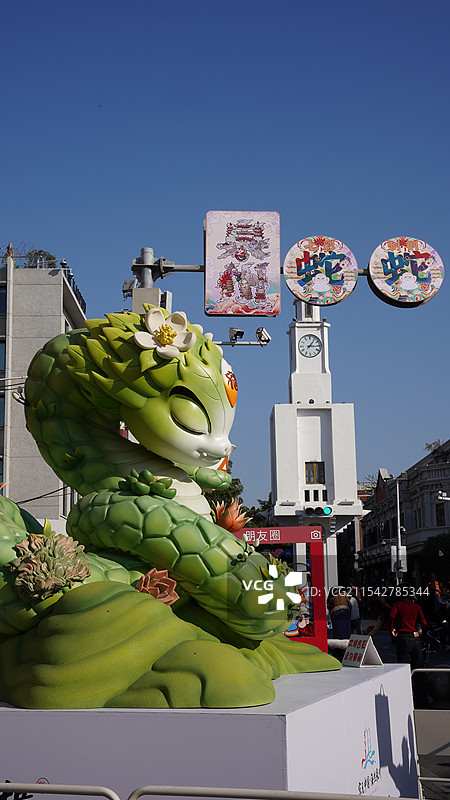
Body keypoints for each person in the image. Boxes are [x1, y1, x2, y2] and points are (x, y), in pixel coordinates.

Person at [389, 587, 427, 669]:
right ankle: (418, 681)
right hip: (415, 636)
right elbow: (424, 623)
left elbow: (391, 616)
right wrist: (423, 636)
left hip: (403, 636)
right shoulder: (416, 606)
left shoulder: (397, 605)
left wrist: (392, 628)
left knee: (404, 664)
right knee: (417, 664)